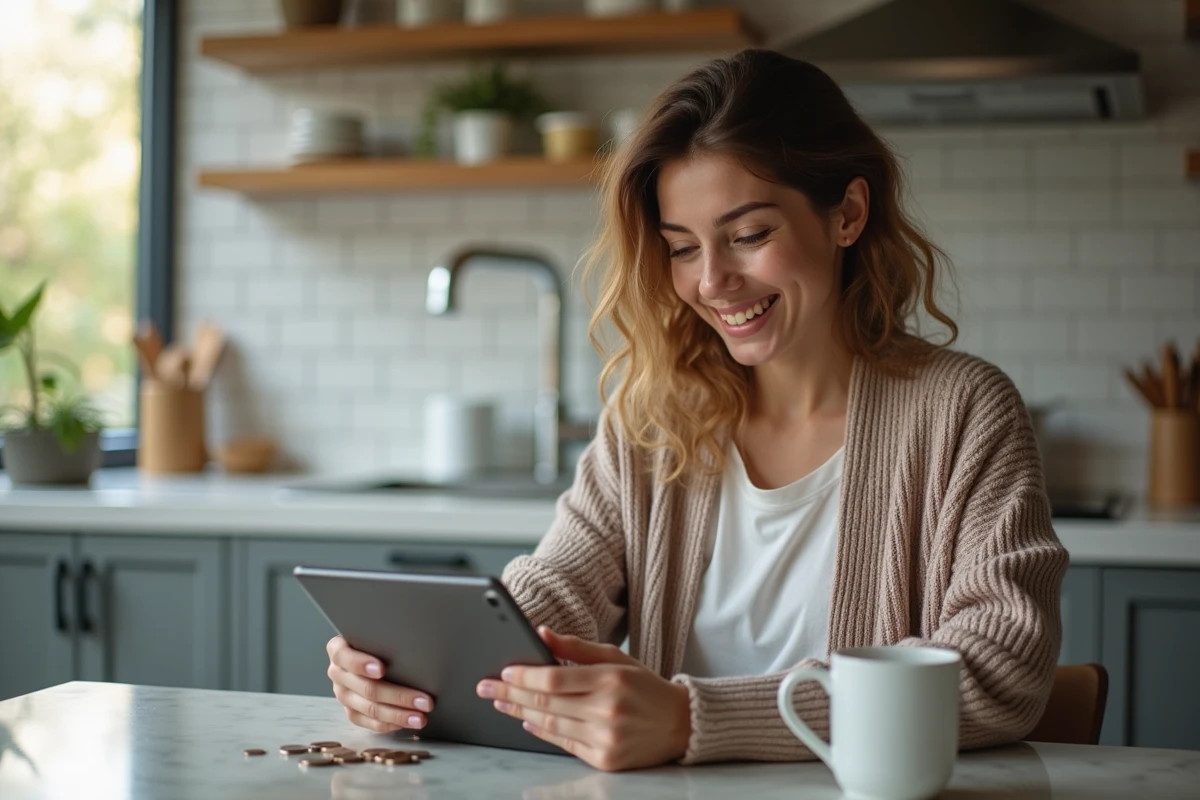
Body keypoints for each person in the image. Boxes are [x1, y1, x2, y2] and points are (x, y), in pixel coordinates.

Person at [326, 48, 1068, 773]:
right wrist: (421, 660)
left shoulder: (964, 412)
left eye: (748, 236)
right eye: (682, 248)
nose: (713, 281)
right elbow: (558, 591)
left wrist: (692, 719)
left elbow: (999, 670)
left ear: (846, 214)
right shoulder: (654, 416)